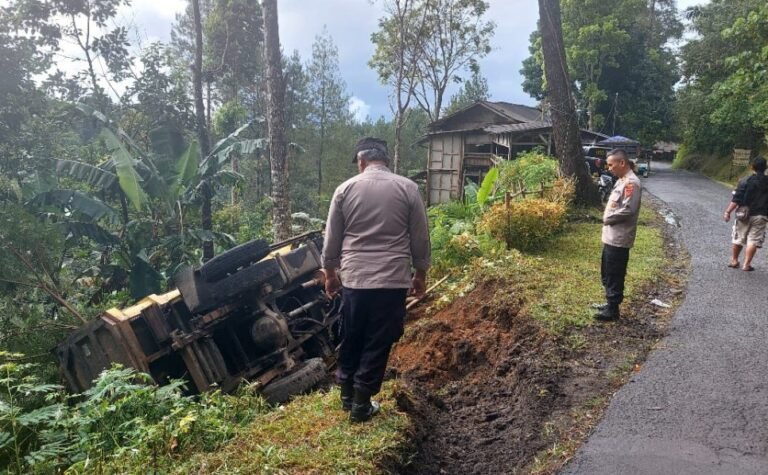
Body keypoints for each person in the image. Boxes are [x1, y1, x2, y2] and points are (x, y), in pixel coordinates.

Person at [321, 137, 430, 423]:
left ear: (361, 161)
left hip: (355, 279)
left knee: (352, 334)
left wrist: (330, 275)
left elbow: (331, 238)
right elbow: (420, 237)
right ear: (384, 159)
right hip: (392, 280)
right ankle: (360, 403)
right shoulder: (408, 188)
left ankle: (347, 394)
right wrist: (420, 274)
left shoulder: (344, 190)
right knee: (378, 339)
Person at [595, 149, 643, 322]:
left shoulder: (632, 183)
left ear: (622, 163)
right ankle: (609, 302)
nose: (609, 168)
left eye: (611, 164)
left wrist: (608, 218)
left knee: (615, 272)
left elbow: (628, 209)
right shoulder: (621, 181)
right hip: (611, 236)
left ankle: (613, 309)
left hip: (619, 237)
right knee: (607, 271)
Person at [723, 157, 768, 271]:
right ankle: (746, 265)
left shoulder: (745, 180)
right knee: (753, 240)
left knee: (738, 238)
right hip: (761, 215)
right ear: (765, 168)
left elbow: (736, 199)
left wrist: (728, 212)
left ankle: (734, 260)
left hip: (744, 215)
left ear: (752, 167)